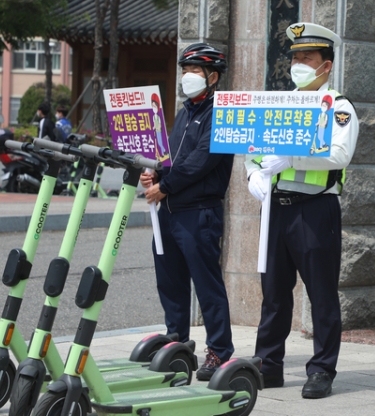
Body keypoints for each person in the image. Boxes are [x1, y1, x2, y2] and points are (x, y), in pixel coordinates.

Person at [245, 22, 359, 399]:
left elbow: (339, 155)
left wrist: (290, 157)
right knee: (274, 293)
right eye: (294, 57)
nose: (298, 64)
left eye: (306, 58)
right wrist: (252, 176)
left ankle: (322, 369)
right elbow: (252, 148)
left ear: (326, 65)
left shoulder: (339, 107)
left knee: (321, 293)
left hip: (314, 209)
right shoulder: (277, 102)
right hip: (275, 208)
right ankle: (269, 364)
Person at [139, 43, 234, 382]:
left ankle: (220, 350)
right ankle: (176, 341)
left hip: (199, 213)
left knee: (207, 285)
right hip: (169, 210)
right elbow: (171, 156)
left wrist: (165, 185)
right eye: (184, 71)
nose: (187, 77)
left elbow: (201, 161)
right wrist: (155, 173)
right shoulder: (185, 111)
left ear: (213, 77)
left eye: (194, 71)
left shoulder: (222, 113)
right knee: (170, 281)